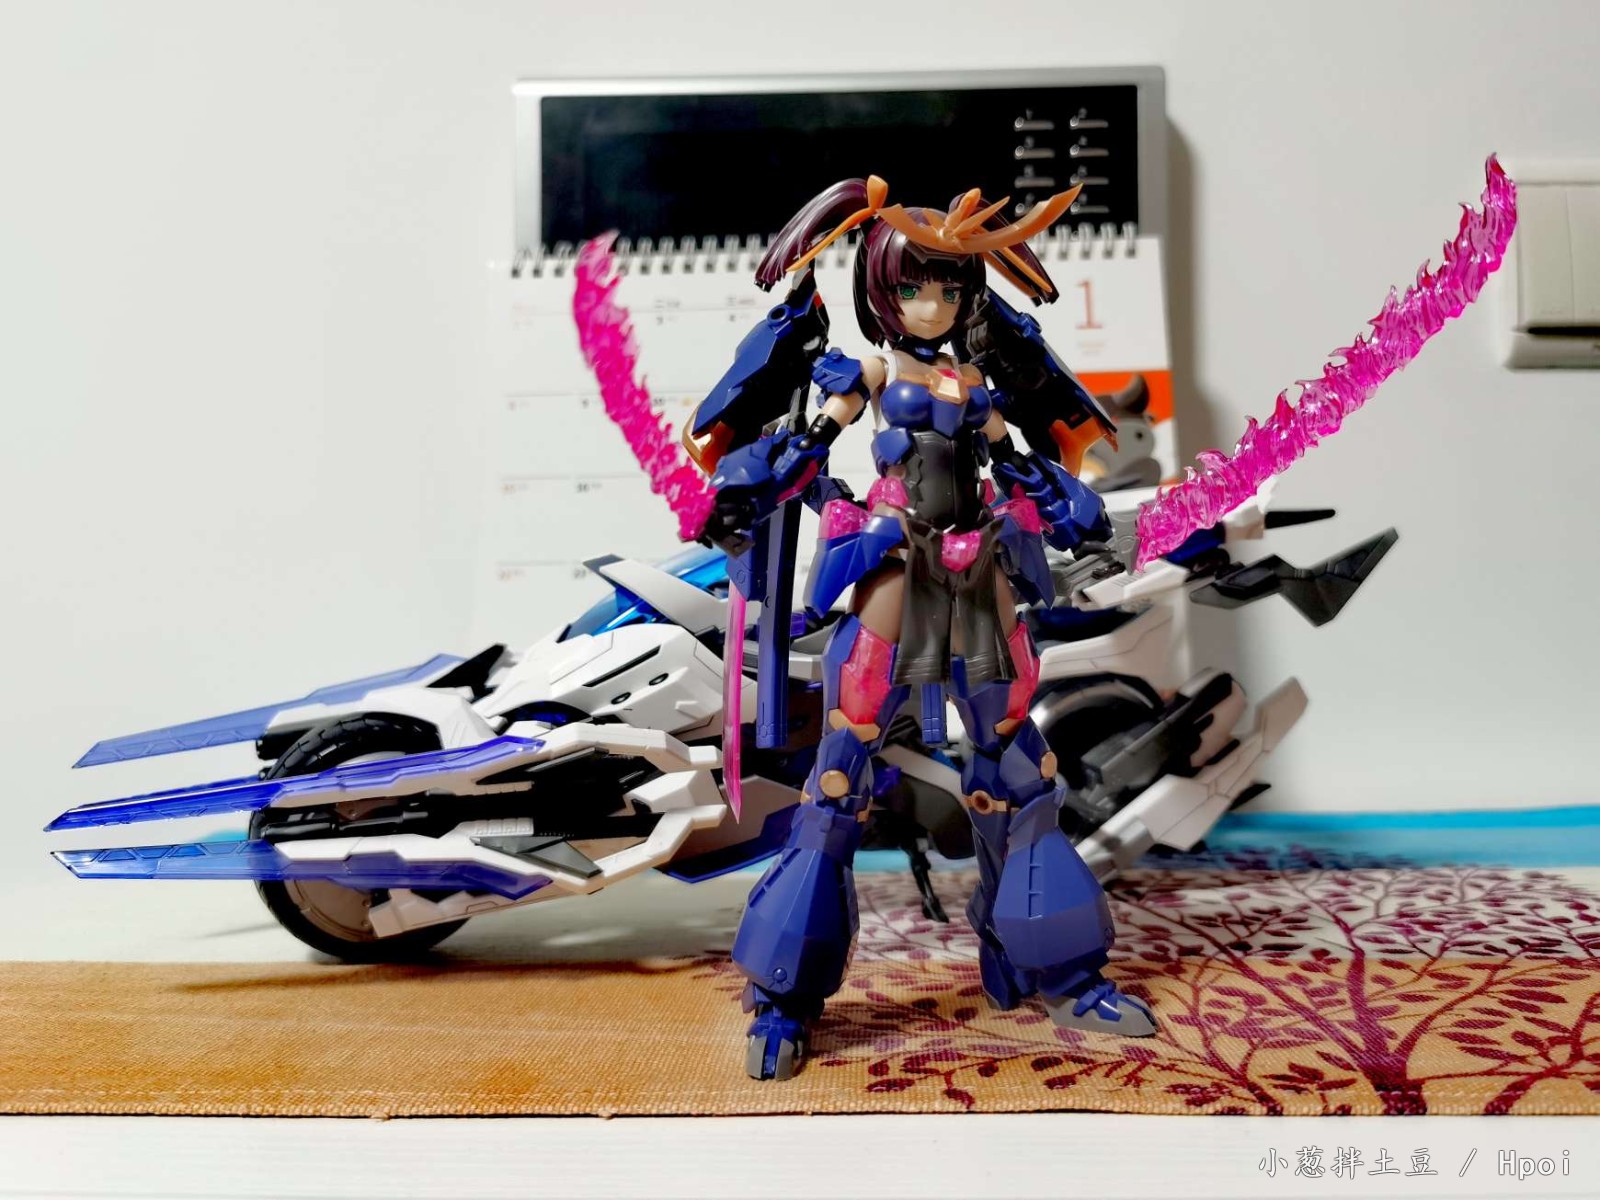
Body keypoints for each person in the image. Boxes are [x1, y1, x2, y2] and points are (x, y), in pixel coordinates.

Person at [690, 175, 1157, 1081]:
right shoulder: (869, 375)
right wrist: (754, 483)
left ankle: (1061, 969)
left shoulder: (979, 380)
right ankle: (786, 993)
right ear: (881, 290)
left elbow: (1016, 460)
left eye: (949, 285)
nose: (932, 304)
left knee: (1018, 776)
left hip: (979, 577)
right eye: (913, 286)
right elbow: (807, 444)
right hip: (894, 567)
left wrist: (1067, 500)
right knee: (840, 778)